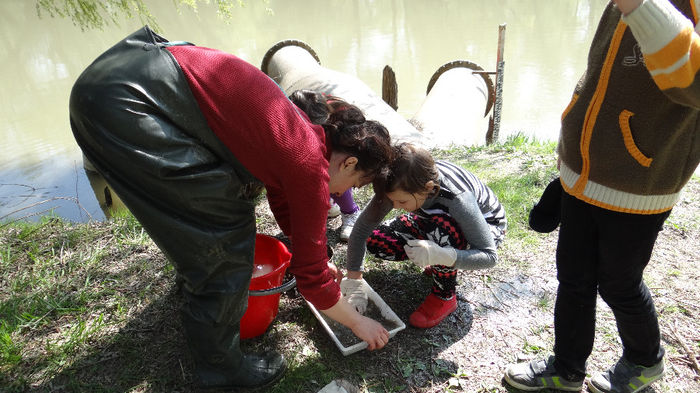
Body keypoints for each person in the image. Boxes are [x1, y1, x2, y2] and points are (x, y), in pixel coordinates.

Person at [69, 26, 393, 390]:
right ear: (348, 163)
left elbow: (285, 200)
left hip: (124, 71)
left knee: (212, 213)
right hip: (128, 103)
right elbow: (311, 282)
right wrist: (357, 322)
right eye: (356, 184)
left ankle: (200, 287)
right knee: (224, 235)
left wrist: (312, 251)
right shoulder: (308, 163)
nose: (346, 194)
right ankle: (219, 368)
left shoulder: (303, 131)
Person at [503, 0, 700, 392]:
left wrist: (641, 6)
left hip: (640, 181)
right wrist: (570, 153)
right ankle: (567, 368)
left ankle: (645, 362)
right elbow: (601, 76)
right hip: (582, 173)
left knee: (619, 282)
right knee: (573, 278)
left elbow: (694, 83)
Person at [342, 143, 507, 328]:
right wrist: (354, 279)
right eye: (392, 200)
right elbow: (362, 229)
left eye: (401, 201)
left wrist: (443, 255)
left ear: (428, 188)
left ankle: (444, 295)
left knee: (441, 231)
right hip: (436, 222)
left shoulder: (457, 199)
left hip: (486, 229)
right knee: (377, 240)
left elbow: (489, 256)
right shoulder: (399, 182)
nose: (394, 206)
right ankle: (439, 262)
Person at [287, 90, 361, 241]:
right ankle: (329, 202)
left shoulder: (338, 129)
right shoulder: (296, 132)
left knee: (335, 178)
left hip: (337, 158)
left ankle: (350, 212)